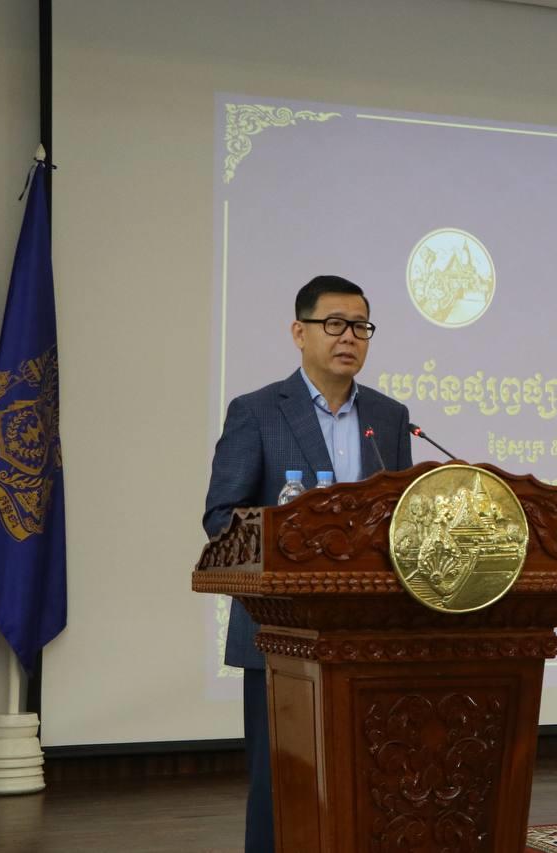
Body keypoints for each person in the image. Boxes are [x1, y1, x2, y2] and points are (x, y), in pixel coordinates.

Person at [203, 275, 412, 853]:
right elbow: (221, 517)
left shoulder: (389, 417)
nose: (349, 337)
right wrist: (292, 541)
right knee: (281, 784)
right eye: (335, 324)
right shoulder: (257, 412)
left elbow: (403, 520)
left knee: (367, 777)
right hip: (280, 633)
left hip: (368, 633)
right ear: (300, 333)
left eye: (361, 327)